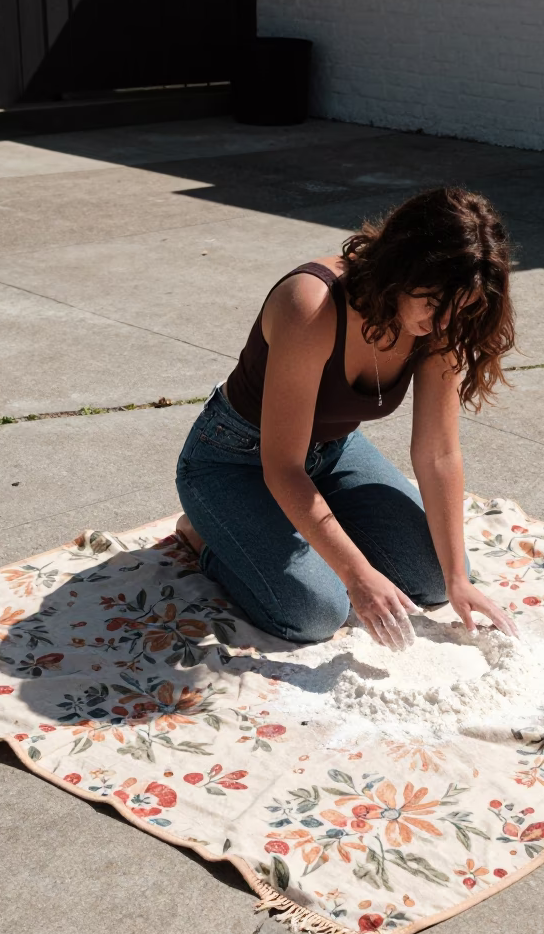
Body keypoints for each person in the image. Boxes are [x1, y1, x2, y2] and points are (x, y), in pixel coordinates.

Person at [175, 185, 518, 652]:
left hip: (331, 455)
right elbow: (283, 467)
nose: (444, 323)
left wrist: (460, 579)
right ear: (400, 266)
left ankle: (295, 530)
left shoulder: (444, 319)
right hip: (233, 459)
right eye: (434, 304)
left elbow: (438, 452)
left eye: (461, 309)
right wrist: (357, 574)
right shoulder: (311, 303)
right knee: (316, 612)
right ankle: (205, 536)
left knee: (433, 579)